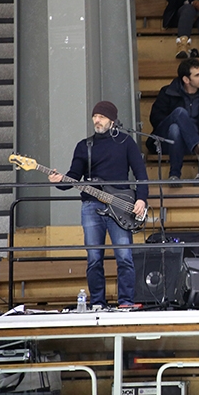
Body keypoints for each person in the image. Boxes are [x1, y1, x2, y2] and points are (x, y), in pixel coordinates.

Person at [48, 101, 148, 309]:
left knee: (124, 256)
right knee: (94, 258)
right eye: (95, 117)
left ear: (112, 120)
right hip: (91, 207)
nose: (96, 120)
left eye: (101, 117)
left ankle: (126, 302)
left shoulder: (126, 142)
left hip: (121, 206)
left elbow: (141, 173)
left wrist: (141, 199)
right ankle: (97, 303)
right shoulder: (84, 146)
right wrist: (60, 181)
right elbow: (74, 177)